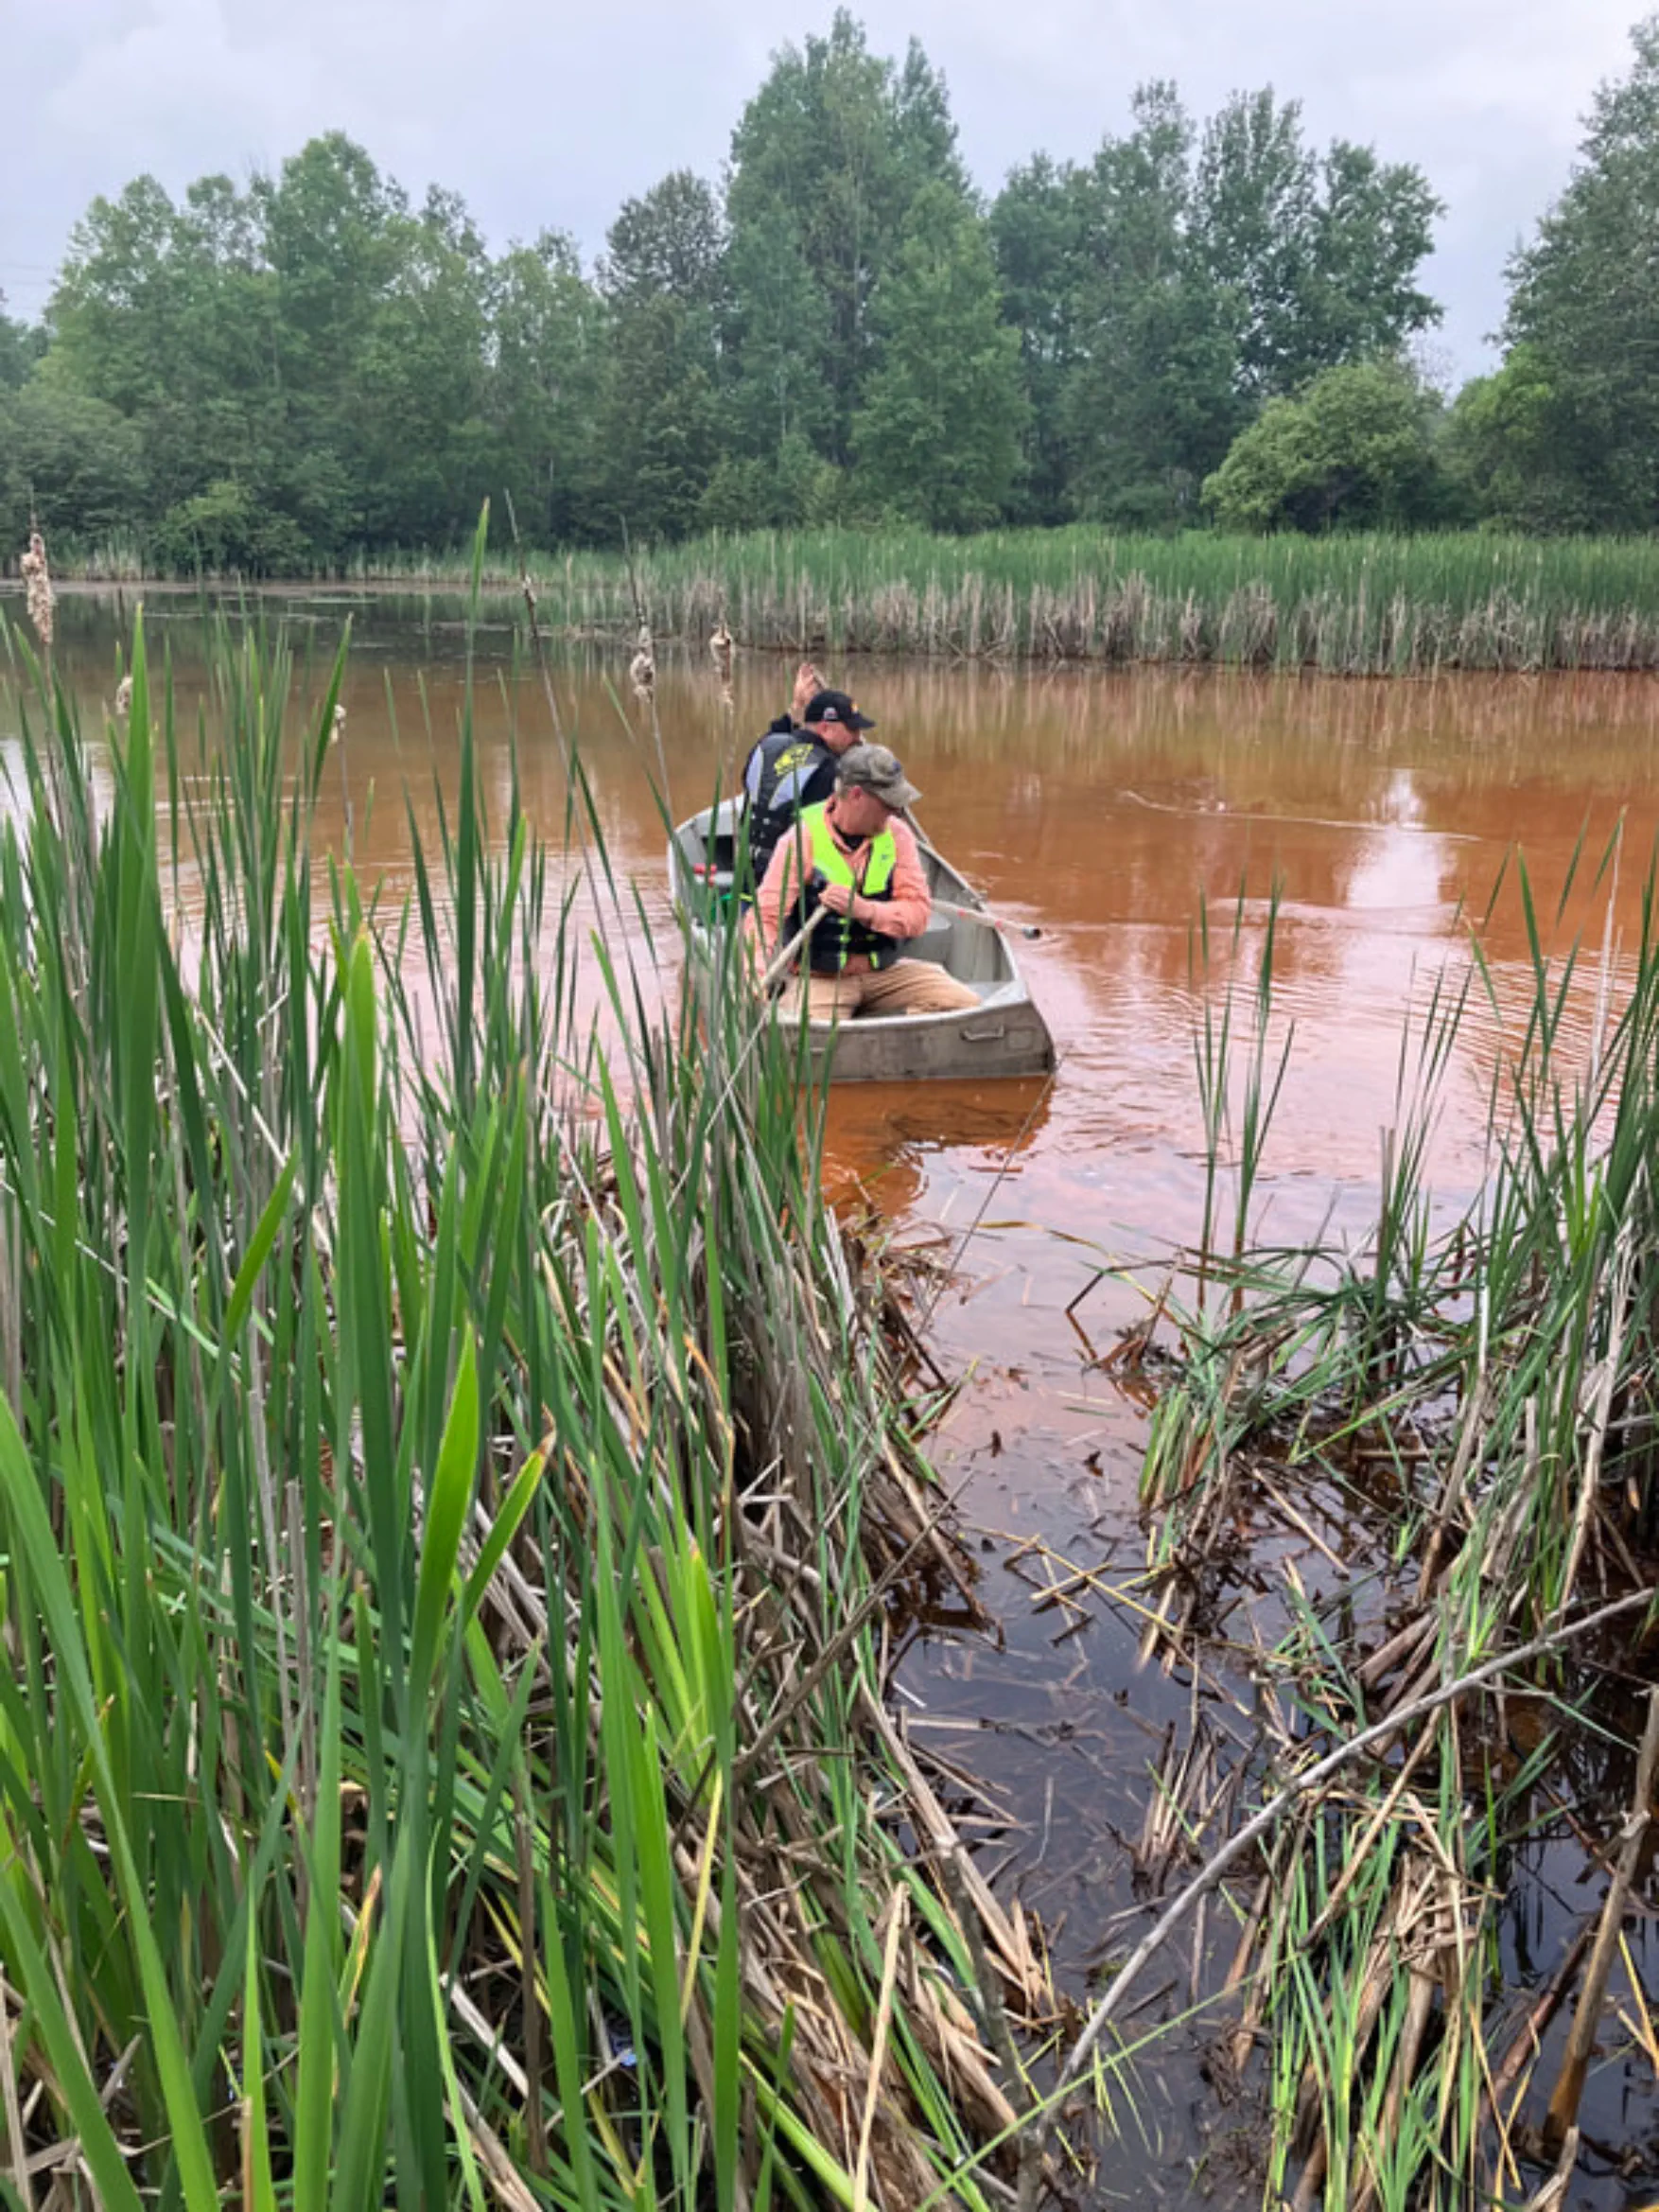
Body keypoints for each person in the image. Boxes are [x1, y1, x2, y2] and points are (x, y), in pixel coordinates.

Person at [754, 745, 979, 1022]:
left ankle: (894, 1026)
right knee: (805, 1038)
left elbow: (918, 914)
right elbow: (765, 917)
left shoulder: (898, 835)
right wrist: (756, 973)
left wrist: (864, 910)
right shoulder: (801, 839)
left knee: (968, 1007)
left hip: (886, 974)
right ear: (857, 795)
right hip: (821, 980)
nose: (896, 813)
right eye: (888, 804)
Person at [740, 685, 878, 891]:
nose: (858, 738)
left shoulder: (764, 747)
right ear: (825, 729)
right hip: (791, 893)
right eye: (852, 729)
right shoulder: (829, 770)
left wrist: (794, 709)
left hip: (747, 879)